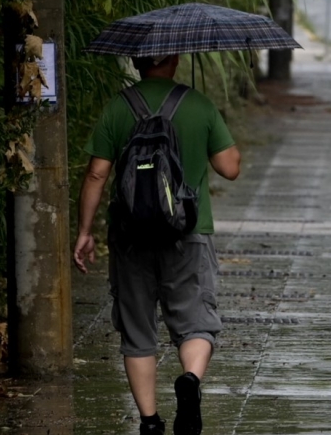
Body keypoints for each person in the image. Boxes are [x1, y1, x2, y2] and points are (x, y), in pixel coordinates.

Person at [73, 54, 241, 435]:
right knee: (196, 322)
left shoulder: (119, 106)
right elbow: (231, 168)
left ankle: (149, 422)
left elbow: (97, 173)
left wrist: (85, 231)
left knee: (137, 330)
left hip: (130, 236)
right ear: (177, 59)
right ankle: (190, 381)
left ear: (136, 59)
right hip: (189, 233)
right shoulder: (198, 105)